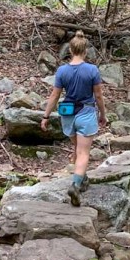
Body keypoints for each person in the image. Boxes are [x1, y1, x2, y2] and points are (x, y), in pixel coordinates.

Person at [41, 31, 107, 205]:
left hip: (68, 115)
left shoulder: (62, 71)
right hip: (86, 113)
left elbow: (54, 96)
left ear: (70, 50)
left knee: (77, 149)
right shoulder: (92, 70)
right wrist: (102, 114)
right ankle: (75, 185)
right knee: (83, 152)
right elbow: (98, 96)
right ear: (85, 51)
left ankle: (82, 179)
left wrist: (45, 116)